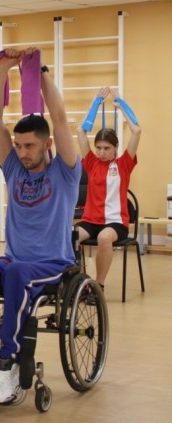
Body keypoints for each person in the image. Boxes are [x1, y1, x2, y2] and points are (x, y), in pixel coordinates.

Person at [0, 48, 81, 403]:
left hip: (52, 264)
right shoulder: (14, 169)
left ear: (47, 144)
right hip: (14, 261)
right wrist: (3, 68)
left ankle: (8, 362)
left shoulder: (65, 173)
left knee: (16, 274)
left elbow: (59, 117)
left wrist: (38, 71)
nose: (22, 152)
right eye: (19, 146)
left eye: (29, 146)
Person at [76, 87, 140, 290]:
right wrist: (96, 102)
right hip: (90, 220)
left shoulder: (124, 164)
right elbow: (81, 131)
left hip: (115, 222)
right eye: (99, 148)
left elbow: (137, 131)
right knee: (70, 237)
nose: (102, 152)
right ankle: (79, 282)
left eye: (107, 148)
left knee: (104, 238)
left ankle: (98, 286)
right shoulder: (91, 162)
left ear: (115, 148)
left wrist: (121, 104)